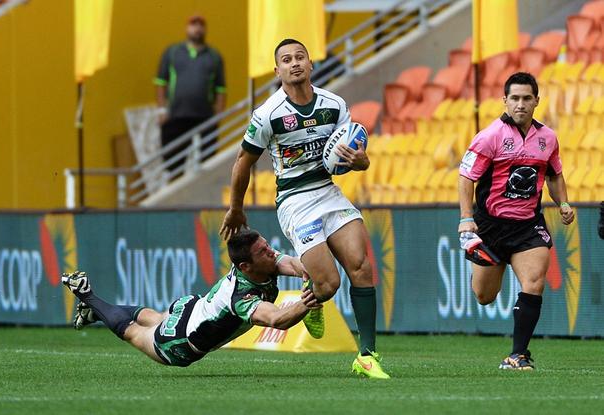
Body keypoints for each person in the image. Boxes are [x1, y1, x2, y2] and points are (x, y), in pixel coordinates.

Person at [219, 38, 389, 379]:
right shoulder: (268, 114)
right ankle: (313, 292)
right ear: (277, 69)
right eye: (286, 59)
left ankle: (367, 355)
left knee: (362, 267)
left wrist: (361, 161)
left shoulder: (334, 105)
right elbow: (243, 162)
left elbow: (351, 157)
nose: (294, 63)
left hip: (328, 192)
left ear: (311, 64)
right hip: (295, 201)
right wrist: (236, 208)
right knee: (329, 285)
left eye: (300, 57)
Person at [62, 229, 320, 368]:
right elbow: (277, 320)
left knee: (154, 317)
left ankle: (96, 312)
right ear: (245, 266)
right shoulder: (241, 297)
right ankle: (88, 296)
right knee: (135, 333)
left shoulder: (261, 263)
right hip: (180, 341)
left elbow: (294, 264)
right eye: (263, 251)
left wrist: (310, 272)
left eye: (267, 246)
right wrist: (307, 300)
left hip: (193, 307)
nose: (271, 253)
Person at [458, 72, 575, 370]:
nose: (520, 104)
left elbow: (554, 174)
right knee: (484, 296)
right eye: (515, 98)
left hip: (528, 225)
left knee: (534, 282)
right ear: (505, 101)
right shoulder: (489, 137)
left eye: (526, 98)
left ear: (537, 100)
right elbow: (466, 177)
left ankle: (518, 354)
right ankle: (478, 262)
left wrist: (562, 202)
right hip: (491, 227)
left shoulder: (547, 138)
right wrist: (466, 219)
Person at [154, 14, 226, 174]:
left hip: (205, 117)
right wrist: (161, 110)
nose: (197, 28)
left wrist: (219, 114)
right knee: (173, 164)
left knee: (208, 163)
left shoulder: (214, 56)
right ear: (187, 28)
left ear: (205, 29)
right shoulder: (172, 53)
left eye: (201, 24)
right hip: (176, 115)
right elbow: (161, 83)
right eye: (193, 24)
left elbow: (221, 89)